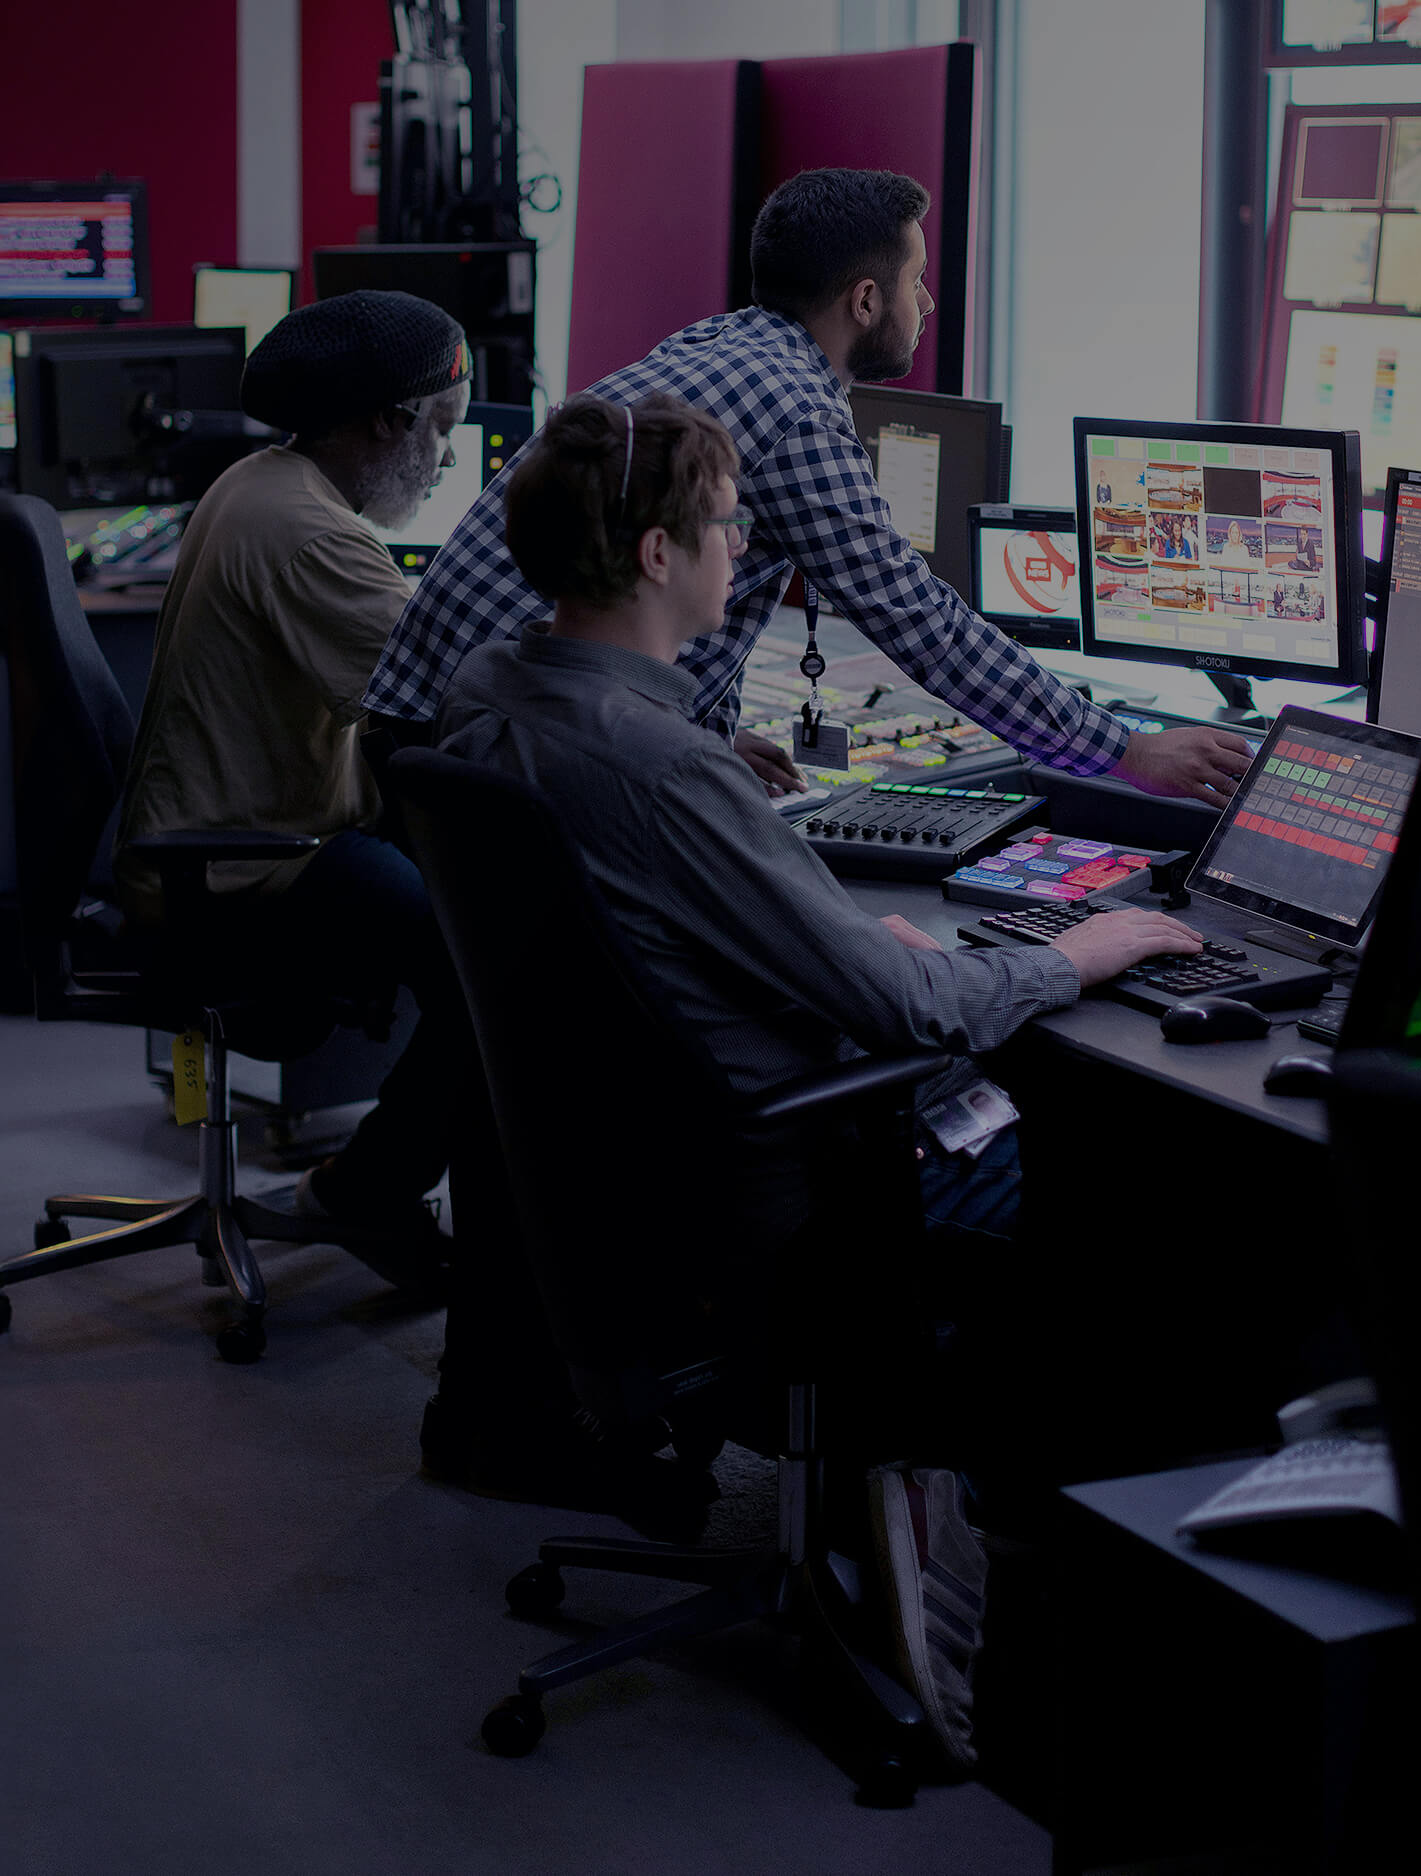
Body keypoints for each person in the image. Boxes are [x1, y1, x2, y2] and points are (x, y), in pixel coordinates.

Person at [436, 392, 1209, 1769]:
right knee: (1142, 1164)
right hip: (774, 1196)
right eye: (729, 524)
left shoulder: (492, 690)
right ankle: (999, 1544)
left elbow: (650, 940)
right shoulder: (663, 768)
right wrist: (1078, 952)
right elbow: (915, 1006)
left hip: (626, 1177)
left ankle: (912, 1484)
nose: (746, 549)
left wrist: (834, 943)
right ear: (659, 555)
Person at [365, 166, 1253, 811]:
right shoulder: (795, 408)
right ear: (865, 301)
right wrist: (1126, 750)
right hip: (507, 750)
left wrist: (705, 738)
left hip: (441, 724)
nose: (927, 303)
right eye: (915, 282)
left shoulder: (722, 342)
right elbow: (920, 621)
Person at [114, 288, 472, 1239]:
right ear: (387, 420)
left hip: (229, 843)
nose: (445, 459)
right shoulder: (310, 534)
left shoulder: (263, 481)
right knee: (495, 965)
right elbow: (456, 689)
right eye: (441, 429)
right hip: (243, 874)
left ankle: (379, 1182)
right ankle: (369, 1194)